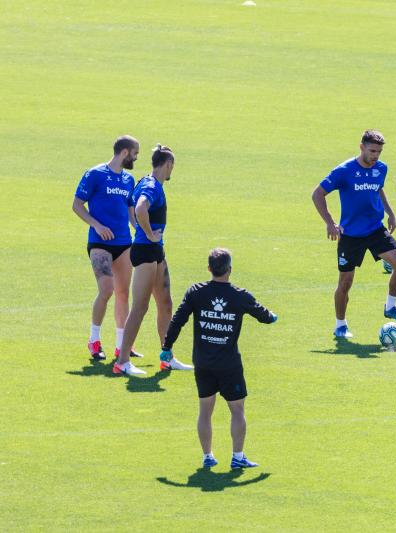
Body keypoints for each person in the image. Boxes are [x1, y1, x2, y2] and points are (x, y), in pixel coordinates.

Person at [161, 248, 278, 469]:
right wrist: (272, 317)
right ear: (230, 270)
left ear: (209, 269)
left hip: (202, 363)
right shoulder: (239, 295)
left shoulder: (196, 292)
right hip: (229, 365)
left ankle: (208, 456)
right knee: (237, 410)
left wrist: (167, 347)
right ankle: (238, 456)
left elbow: (177, 320)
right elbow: (264, 316)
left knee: (205, 410)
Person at [311, 129, 396, 339]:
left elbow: (378, 188)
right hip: (350, 235)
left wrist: (390, 213)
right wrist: (330, 223)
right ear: (361, 147)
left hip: (375, 228)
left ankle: (391, 306)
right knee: (345, 283)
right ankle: (340, 325)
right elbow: (317, 194)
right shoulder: (344, 170)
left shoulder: (381, 168)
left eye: (379, 152)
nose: (376, 156)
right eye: (372, 150)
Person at [114, 144, 192, 375]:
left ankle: (167, 356)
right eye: (172, 166)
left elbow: (132, 207)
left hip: (156, 250)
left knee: (165, 303)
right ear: (168, 164)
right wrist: (146, 232)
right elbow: (139, 208)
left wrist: (142, 229)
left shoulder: (149, 183)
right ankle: (122, 361)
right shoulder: (151, 185)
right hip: (146, 250)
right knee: (140, 306)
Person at [72, 135, 145, 361]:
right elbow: (77, 205)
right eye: (135, 153)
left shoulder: (128, 180)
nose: (135, 158)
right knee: (106, 290)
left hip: (124, 243)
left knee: (123, 293)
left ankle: (121, 345)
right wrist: (97, 224)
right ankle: (94, 340)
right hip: (100, 243)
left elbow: (131, 212)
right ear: (124, 152)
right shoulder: (95, 174)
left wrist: (141, 230)